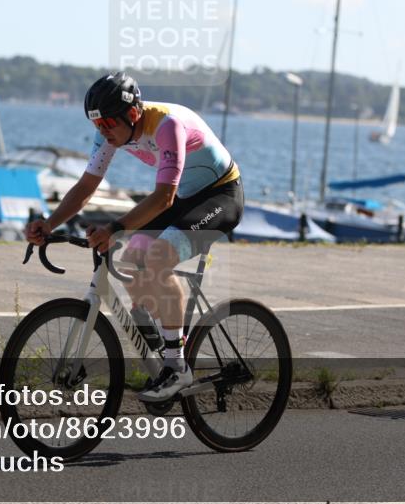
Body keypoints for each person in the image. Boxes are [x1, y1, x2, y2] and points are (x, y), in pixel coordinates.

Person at [25, 72, 244, 402]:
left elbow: (163, 199)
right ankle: (158, 335)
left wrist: (114, 228)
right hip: (185, 194)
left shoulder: (167, 125)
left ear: (131, 114)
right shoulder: (110, 135)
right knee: (131, 257)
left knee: (158, 257)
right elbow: (86, 187)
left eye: (108, 125)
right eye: (97, 126)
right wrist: (51, 222)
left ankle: (177, 367)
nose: (103, 133)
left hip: (220, 194)